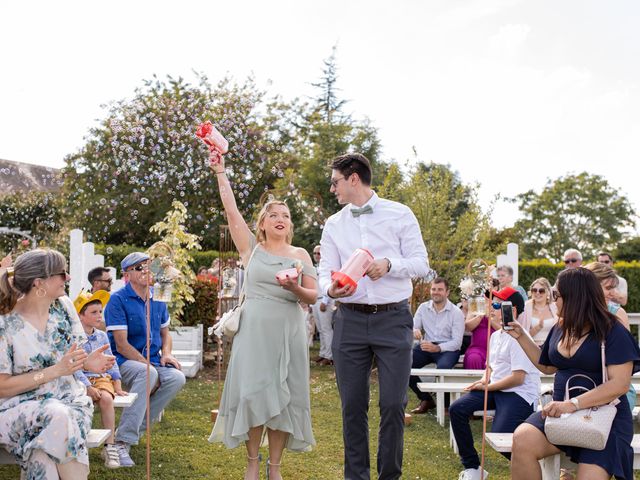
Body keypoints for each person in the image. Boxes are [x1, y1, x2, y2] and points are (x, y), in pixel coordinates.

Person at [318, 153, 431, 480]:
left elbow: (421, 264)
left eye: (335, 180)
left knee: (393, 405)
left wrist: (390, 264)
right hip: (349, 321)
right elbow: (325, 271)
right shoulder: (334, 224)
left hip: (393, 319)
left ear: (354, 178)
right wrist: (330, 289)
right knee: (352, 407)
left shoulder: (400, 214)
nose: (332, 188)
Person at [207, 150, 317, 480]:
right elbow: (231, 211)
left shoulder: (300, 254)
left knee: (287, 395)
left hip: (289, 329)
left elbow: (312, 294)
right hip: (254, 332)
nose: (280, 218)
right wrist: (221, 173)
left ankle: (275, 467)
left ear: (289, 224)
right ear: (263, 224)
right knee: (253, 393)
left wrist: (294, 289)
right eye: (273, 215)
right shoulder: (250, 250)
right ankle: (253, 462)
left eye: (285, 214)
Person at [509, 268, 640, 480]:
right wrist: (521, 336)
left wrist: (572, 404)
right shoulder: (561, 327)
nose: (553, 301)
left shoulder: (612, 330)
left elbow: (620, 385)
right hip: (561, 413)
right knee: (522, 439)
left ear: (575, 297)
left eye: (556, 295)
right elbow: (548, 366)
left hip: (603, 418)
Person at [0, 249, 115, 479]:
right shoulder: (5, 322)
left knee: (41, 454)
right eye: (62, 273)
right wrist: (55, 371)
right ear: (38, 283)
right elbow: (2, 387)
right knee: (57, 417)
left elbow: (72, 359)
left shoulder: (64, 307)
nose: (68, 278)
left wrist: (86, 363)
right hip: (19, 410)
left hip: (73, 403)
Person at [104, 252, 186, 467]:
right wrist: (150, 365)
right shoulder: (117, 300)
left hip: (153, 362)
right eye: (138, 268)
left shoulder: (158, 296)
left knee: (177, 378)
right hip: (121, 362)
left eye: (148, 266)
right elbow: (121, 345)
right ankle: (122, 442)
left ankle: (132, 431)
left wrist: (167, 354)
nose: (146, 271)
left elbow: (165, 335)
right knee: (147, 373)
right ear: (127, 274)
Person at [450, 292, 540, 480]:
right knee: (457, 408)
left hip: (518, 393)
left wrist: (488, 388)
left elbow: (518, 378)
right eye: (493, 304)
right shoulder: (496, 335)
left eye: (498, 306)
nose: (491, 308)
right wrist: (484, 380)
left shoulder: (519, 337)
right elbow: (491, 366)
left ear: (512, 310)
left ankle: (536, 465)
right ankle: (473, 469)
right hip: (496, 388)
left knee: (499, 436)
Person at [73, 290, 128, 469]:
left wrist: (117, 384)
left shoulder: (102, 335)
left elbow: (111, 360)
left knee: (106, 399)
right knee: (83, 401)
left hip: (101, 378)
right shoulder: (74, 338)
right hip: (80, 379)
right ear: (81, 316)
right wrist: (88, 386)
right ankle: (80, 445)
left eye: (100, 311)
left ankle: (109, 445)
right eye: (94, 312)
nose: (99, 316)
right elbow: (74, 367)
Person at [409, 277, 465, 414]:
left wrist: (438, 348)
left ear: (447, 292)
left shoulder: (456, 312)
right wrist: (414, 330)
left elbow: (457, 342)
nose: (436, 292)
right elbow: (413, 327)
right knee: (404, 364)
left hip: (448, 348)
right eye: (434, 289)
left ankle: (446, 405)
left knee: (443, 368)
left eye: (440, 289)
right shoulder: (423, 308)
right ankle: (426, 399)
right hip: (427, 345)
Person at [463, 287, 524, 369]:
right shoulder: (477, 302)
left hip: (499, 353)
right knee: (474, 358)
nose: (492, 305)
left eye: (496, 304)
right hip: (479, 349)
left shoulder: (517, 335)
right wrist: (481, 315)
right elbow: (467, 327)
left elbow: (518, 376)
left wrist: (489, 318)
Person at [310, 245, 334, 366]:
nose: (317, 255)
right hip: (315, 300)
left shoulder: (327, 267)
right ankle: (323, 353)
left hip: (324, 300)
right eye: (315, 253)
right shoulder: (315, 268)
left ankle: (329, 356)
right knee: (320, 329)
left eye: (319, 253)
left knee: (326, 329)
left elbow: (329, 284)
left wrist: (326, 301)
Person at [518, 278, 558, 345]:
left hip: (551, 348)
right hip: (531, 348)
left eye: (541, 291)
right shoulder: (525, 307)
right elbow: (521, 335)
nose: (537, 293)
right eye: (534, 290)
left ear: (548, 292)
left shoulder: (555, 307)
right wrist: (538, 328)